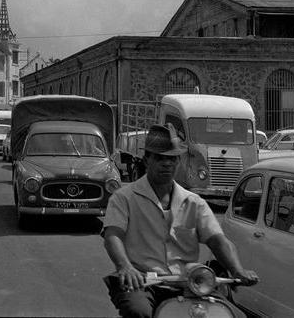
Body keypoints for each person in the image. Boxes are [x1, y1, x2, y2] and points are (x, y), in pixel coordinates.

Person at [102, 123, 259, 318]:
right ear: (146, 160)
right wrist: (125, 267)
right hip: (142, 281)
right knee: (138, 312)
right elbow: (112, 236)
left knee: (235, 315)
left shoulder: (193, 202)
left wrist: (237, 270)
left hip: (189, 282)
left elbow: (218, 240)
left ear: (179, 161)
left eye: (172, 159)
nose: (166, 164)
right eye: (160, 158)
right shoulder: (124, 197)